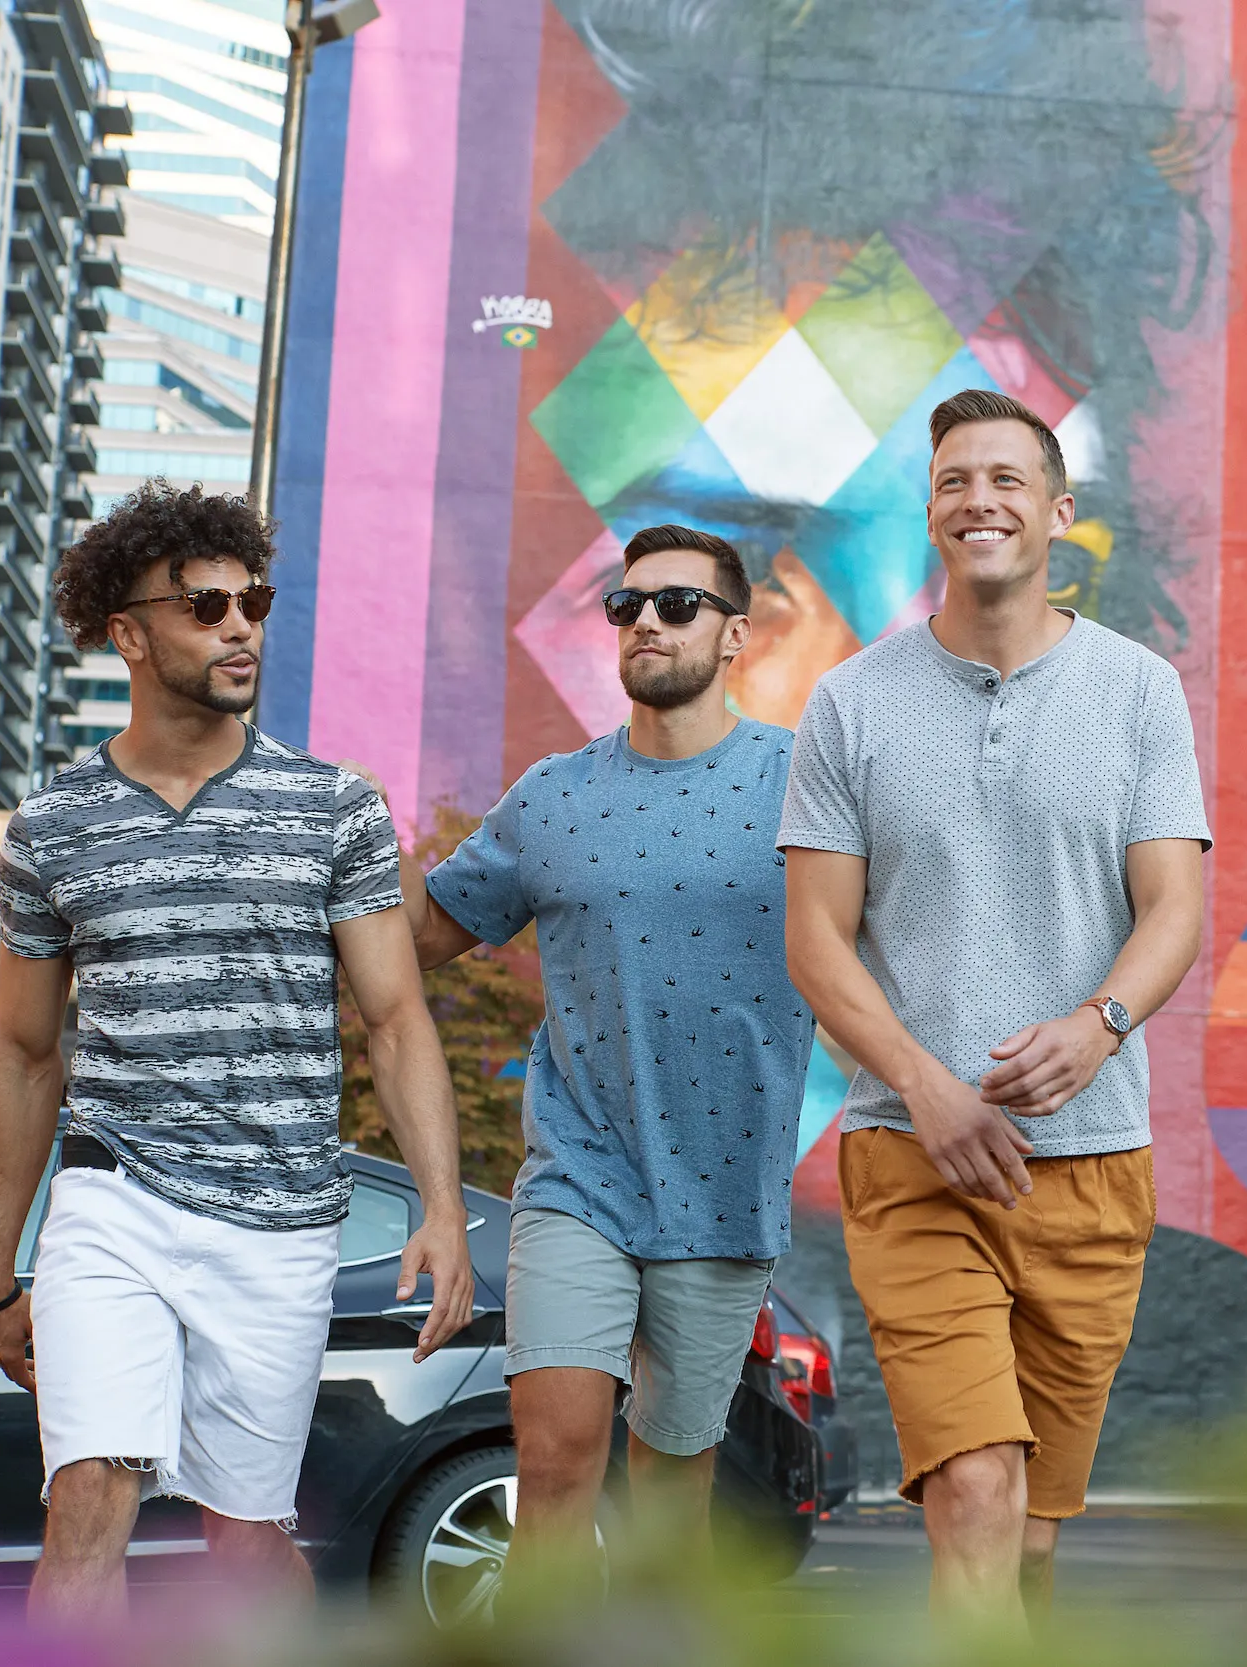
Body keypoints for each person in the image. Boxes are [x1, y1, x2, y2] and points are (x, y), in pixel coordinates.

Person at [0, 481, 474, 1623]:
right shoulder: (51, 827)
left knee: (243, 1538)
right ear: (128, 632)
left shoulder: (334, 806)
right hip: (115, 1200)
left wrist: (441, 1207)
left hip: (281, 1219)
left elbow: (395, 1019)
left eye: (254, 599)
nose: (239, 624)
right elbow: (25, 1053)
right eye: (206, 605)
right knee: (89, 1490)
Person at [779, 388, 1209, 1618]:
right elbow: (816, 942)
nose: (980, 500)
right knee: (973, 1488)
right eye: (955, 480)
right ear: (930, 511)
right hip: (910, 1157)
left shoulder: (1138, 691)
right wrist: (927, 1088)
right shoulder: (850, 702)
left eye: (1007, 479)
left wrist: (1097, 1024)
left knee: (1025, 1535)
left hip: (1092, 1166)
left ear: (1057, 512)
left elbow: (1171, 909)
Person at [393, 524, 814, 1567]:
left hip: (726, 1186)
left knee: (673, 1485)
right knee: (556, 1454)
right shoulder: (553, 795)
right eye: (627, 605)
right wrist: (357, 831)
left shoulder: (805, 783)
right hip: (578, 1176)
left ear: (734, 637)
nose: (645, 622)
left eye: (677, 604)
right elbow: (429, 933)